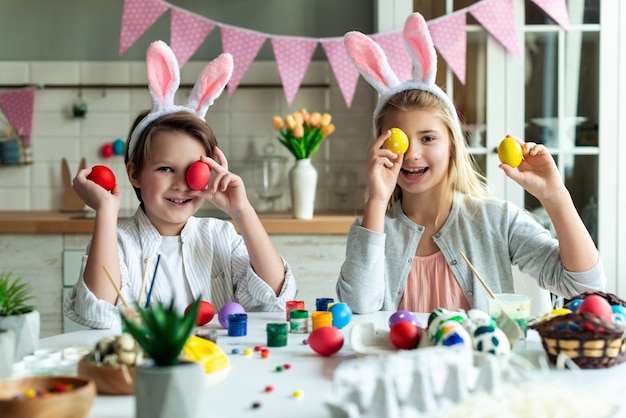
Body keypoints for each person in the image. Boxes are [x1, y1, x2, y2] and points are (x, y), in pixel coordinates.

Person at [336, 13, 605, 315]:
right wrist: (377, 201)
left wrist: (555, 196)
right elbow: (356, 311)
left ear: (452, 146)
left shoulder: (495, 220)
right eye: (399, 141)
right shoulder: (372, 229)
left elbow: (585, 287)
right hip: (400, 363)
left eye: (427, 138)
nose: (411, 154)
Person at [65, 41, 297, 329]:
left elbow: (277, 298)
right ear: (134, 173)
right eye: (165, 169)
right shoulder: (118, 243)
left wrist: (242, 210)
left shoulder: (221, 235)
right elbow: (96, 314)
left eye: (194, 171)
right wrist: (105, 211)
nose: (181, 185)